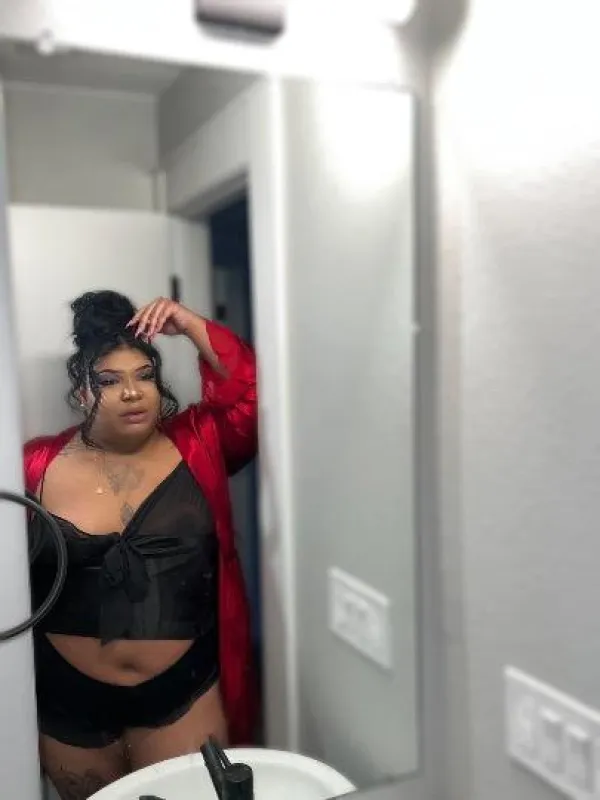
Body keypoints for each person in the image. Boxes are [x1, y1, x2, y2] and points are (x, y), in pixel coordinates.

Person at [24, 290, 258, 800]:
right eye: (109, 381)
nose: (132, 392)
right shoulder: (32, 465)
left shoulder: (201, 440)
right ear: (81, 394)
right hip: (67, 698)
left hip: (183, 692)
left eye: (144, 375)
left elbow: (252, 396)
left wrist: (190, 323)